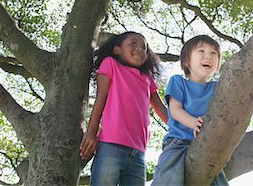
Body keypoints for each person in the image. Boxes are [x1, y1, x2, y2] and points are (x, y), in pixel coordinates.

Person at [79, 31, 168, 186]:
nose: (140, 49)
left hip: (139, 153)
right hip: (110, 146)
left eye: (144, 48)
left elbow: (162, 110)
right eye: (133, 43)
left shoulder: (147, 78)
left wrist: (186, 127)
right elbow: (101, 97)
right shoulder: (111, 64)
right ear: (117, 50)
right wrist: (91, 132)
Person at [152, 35, 228, 186]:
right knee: (169, 175)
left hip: (206, 144)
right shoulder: (178, 82)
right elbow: (175, 110)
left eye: (214, 53)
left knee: (218, 180)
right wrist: (194, 122)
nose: (208, 56)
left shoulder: (217, 87)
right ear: (187, 61)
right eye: (201, 51)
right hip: (178, 141)